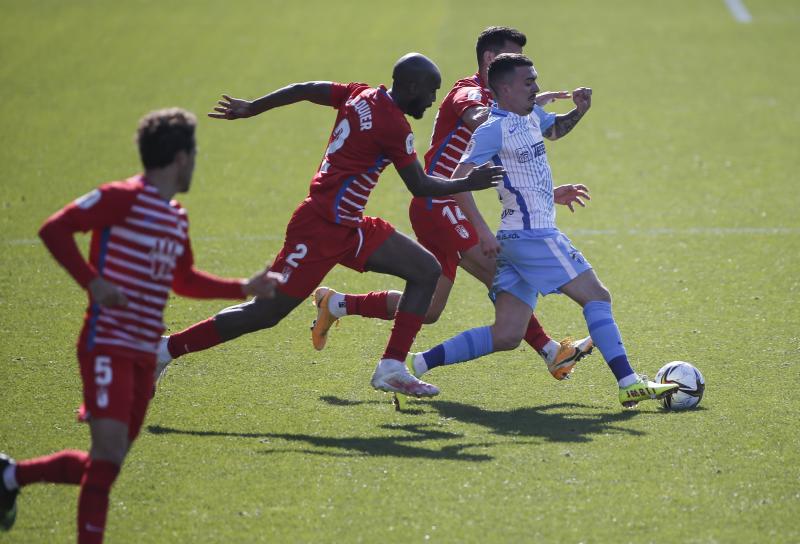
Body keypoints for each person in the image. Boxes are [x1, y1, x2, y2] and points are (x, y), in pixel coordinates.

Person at [0, 108, 281, 542]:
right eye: (196, 153)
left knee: (106, 466)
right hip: (107, 342)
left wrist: (244, 286)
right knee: (109, 453)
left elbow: (184, 279)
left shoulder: (175, 217)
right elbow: (55, 229)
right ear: (182, 158)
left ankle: (10, 477)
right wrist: (92, 283)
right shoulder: (121, 197)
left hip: (143, 355)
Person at [153, 53, 504, 398]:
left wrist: (254, 106)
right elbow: (421, 186)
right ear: (411, 87)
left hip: (349, 227)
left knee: (426, 270)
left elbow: (307, 88)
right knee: (265, 312)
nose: (431, 100)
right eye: (430, 91)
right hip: (319, 229)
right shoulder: (394, 126)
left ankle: (392, 368)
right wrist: (468, 182)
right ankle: (166, 349)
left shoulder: (359, 93)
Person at [312, 27, 594, 383]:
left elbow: (506, 152)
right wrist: (528, 109)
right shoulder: (467, 93)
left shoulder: (503, 106)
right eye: (509, 59)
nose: (519, 72)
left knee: (428, 308)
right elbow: (486, 123)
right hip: (440, 203)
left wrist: (542, 185)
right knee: (501, 272)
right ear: (491, 60)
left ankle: (337, 304)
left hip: (444, 206)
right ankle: (550, 351)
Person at [403, 53, 679, 408]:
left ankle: (418, 362)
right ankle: (628, 383)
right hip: (534, 237)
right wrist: (482, 232)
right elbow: (457, 181)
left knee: (507, 333)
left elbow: (554, 131)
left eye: (535, 79)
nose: (536, 86)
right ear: (503, 88)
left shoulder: (530, 115)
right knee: (597, 296)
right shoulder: (493, 128)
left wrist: (580, 110)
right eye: (528, 81)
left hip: (517, 241)